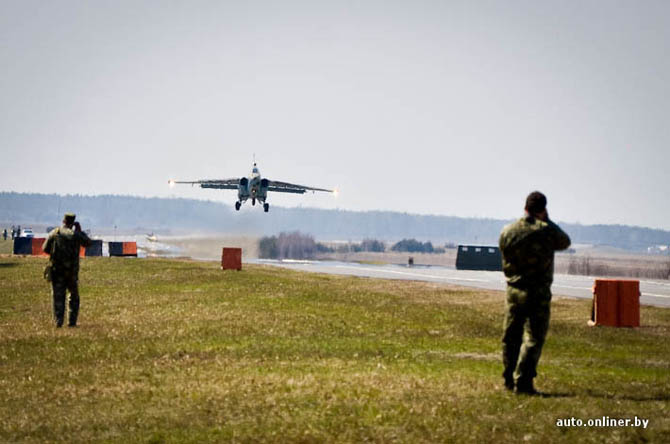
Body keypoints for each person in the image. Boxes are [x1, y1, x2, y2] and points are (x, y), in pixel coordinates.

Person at [498, 191, 571, 395]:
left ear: (525, 207)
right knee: (533, 338)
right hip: (537, 292)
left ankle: (508, 379)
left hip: (514, 291)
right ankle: (523, 381)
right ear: (543, 209)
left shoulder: (508, 231)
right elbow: (565, 242)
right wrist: (547, 221)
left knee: (511, 337)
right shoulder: (546, 231)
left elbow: (504, 251)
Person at [42, 213, 91, 328]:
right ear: (73, 222)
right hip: (72, 271)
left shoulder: (56, 233)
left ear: (63, 221)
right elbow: (88, 243)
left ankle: (58, 322)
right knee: (73, 296)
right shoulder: (76, 235)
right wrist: (79, 231)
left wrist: (55, 254)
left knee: (58, 296)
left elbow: (45, 248)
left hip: (57, 270)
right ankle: (72, 322)